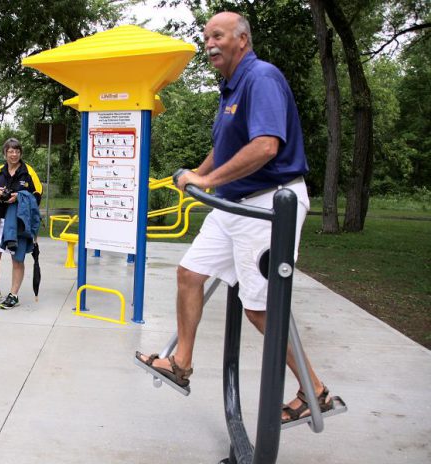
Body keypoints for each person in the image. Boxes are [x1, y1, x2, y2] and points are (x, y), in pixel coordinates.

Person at [136, 12, 334, 425]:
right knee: (190, 273)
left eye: (218, 35)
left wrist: (206, 179)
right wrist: (200, 175)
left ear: (242, 40)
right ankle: (181, 363)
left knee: (260, 309)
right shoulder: (230, 90)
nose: (209, 43)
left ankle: (314, 389)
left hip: (266, 207)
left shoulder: (261, 78)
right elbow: (225, 151)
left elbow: (264, 147)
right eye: (205, 36)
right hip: (233, 206)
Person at [0, 138, 42, 309]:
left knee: (17, 259)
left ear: (20, 153)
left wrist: (19, 197)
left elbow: (37, 196)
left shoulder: (28, 172)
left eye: (17, 151)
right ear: (5, 153)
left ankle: (13, 294)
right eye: (10, 151)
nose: (13, 154)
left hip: (18, 222)